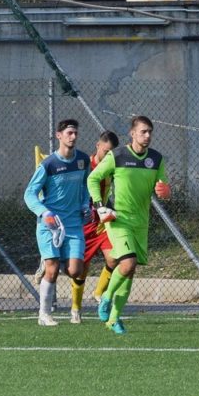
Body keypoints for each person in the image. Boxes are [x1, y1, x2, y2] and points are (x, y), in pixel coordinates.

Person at [87, 116, 170, 334]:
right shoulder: (118, 156)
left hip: (141, 223)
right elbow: (93, 179)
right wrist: (99, 205)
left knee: (129, 271)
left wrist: (166, 192)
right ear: (132, 133)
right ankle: (105, 297)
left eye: (150, 131)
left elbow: (162, 186)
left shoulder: (156, 159)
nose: (148, 135)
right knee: (128, 263)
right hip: (118, 219)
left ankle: (114, 319)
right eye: (143, 131)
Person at [24, 119, 91, 326]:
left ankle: (51, 259)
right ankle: (44, 314)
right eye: (69, 133)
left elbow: (86, 186)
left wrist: (85, 205)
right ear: (59, 136)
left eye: (75, 133)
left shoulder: (83, 161)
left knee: (75, 271)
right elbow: (29, 194)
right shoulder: (49, 165)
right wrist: (44, 213)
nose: (73, 137)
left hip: (73, 224)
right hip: (50, 224)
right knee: (52, 270)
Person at [69, 130, 120, 324]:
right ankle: (75, 308)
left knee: (114, 258)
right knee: (82, 268)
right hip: (83, 223)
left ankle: (99, 293)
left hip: (102, 223)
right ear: (98, 146)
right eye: (105, 151)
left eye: (111, 153)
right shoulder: (84, 165)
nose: (108, 156)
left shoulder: (112, 168)